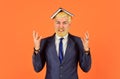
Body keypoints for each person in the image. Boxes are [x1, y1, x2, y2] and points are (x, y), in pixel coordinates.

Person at [32, 8, 91, 79]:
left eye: (64, 23)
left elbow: (86, 68)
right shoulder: (45, 42)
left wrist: (86, 50)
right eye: (58, 22)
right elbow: (37, 68)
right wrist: (37, 49)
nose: (61, 26)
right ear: (54, 24)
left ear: (69, 24)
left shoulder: (78, 41)